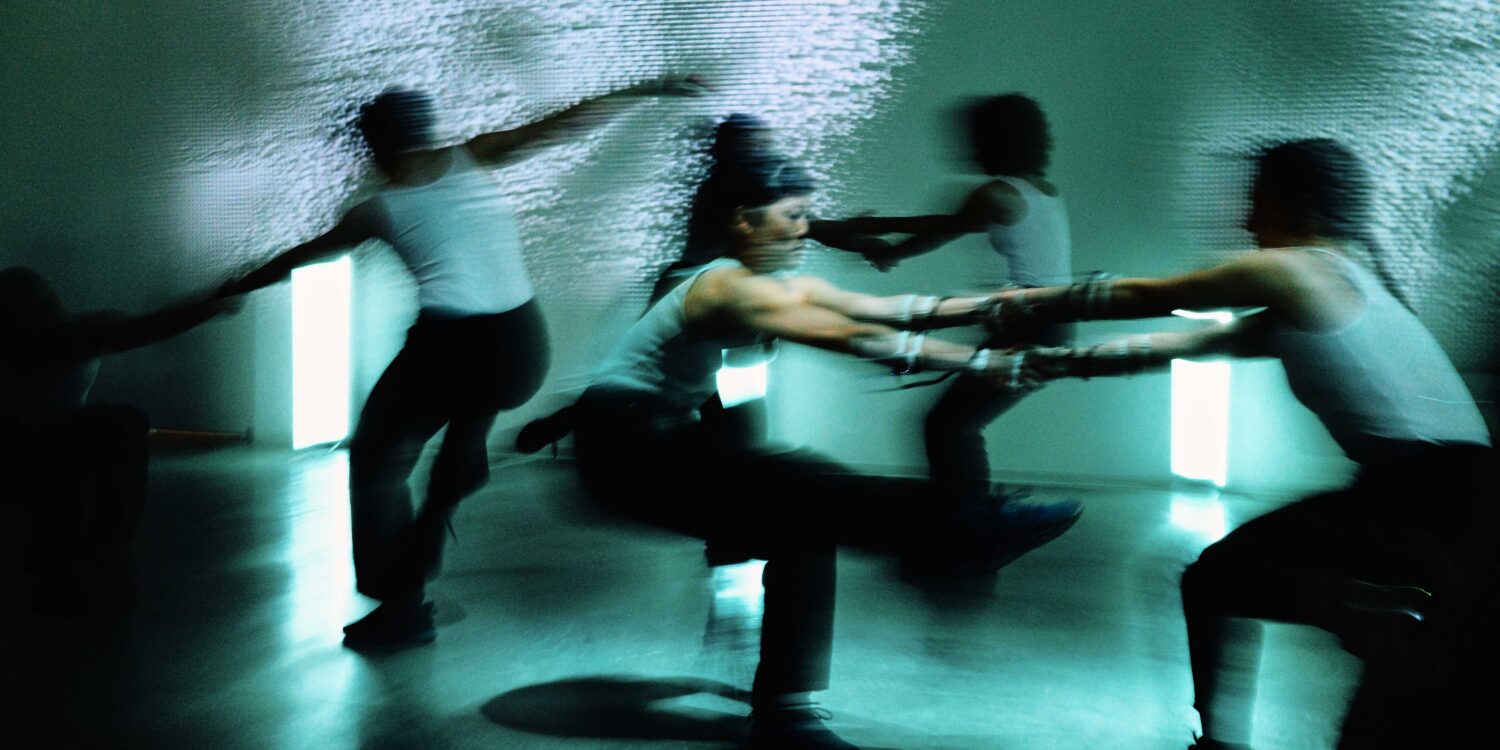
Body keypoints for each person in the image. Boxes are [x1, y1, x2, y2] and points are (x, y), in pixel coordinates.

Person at [980, 138, 1492, 749]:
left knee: (1212, 580)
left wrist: (1028, 300)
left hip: (1417, 493)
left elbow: (1152, 297)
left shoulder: (1295, 268)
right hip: (1466, 502)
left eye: (1257, 200)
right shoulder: (1346, 283)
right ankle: (1366, 614)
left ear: (1301, 202)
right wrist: (1058, 361)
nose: (1247, 221)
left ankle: (1344, 631)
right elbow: (1172, 347)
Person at [571, 158, 1081, 749]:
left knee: (803, 522)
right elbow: (850, 336)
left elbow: (891, 310)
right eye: (792, 215)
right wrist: (980, 358)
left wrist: (991, 307)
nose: (804, 228)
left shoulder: (775, 284)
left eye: (807, 215)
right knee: (801, 482)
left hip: (664, 440)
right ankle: (962, 529)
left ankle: (785, 717)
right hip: (623, 450)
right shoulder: (722, 284)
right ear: (744, 220)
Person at [221, 77, 705, 649]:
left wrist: (235, 285)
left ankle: (402, 598)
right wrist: (648, 88)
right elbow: (564, 123)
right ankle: (455, 471)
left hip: (452, 349)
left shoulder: (376, 210)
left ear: (374, 144)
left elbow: (301, 257)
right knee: (457, 432)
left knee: (376, 461)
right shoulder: (470, 156)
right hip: (522, 344)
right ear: (424, 130)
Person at [816, 94, 1081, 531]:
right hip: (1049, 323)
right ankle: (970, 517)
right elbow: (948, 228)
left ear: (994, 141)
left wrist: (878, 234)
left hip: (1032, 323)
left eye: (973, 139)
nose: (966, 149)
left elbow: (941, 225)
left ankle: (972, 523)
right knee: (952, 423)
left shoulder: (996, 193)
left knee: (947, 424)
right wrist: (889, 249)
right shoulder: (1043, 192)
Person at [0, 266, 238, 616]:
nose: (52, 299)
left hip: (22, 446)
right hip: (50, 444)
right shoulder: (72, 335)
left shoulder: (68, 334)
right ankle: (101, 551)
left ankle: (71, 564)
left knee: (62, 492)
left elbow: (145, 327)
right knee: (118, 429)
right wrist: (210, 305)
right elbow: (147, 328)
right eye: (43, 297)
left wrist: (208, 304)